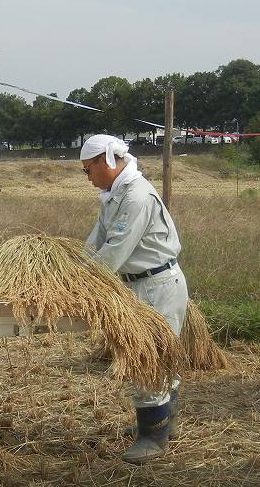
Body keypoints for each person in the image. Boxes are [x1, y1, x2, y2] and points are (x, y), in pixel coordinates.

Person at [80, 133, 187, 464]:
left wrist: (81, 283)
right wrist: (72, 265)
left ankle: (153, 437)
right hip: (139, 285)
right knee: (153, 355)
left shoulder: (137, 196)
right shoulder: (114, 195)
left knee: (149, 357)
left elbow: (114, 252)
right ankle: (164, 423)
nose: (88, 177)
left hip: (156, 286)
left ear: (104, 161)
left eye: (88, 170)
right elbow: (96, 240)